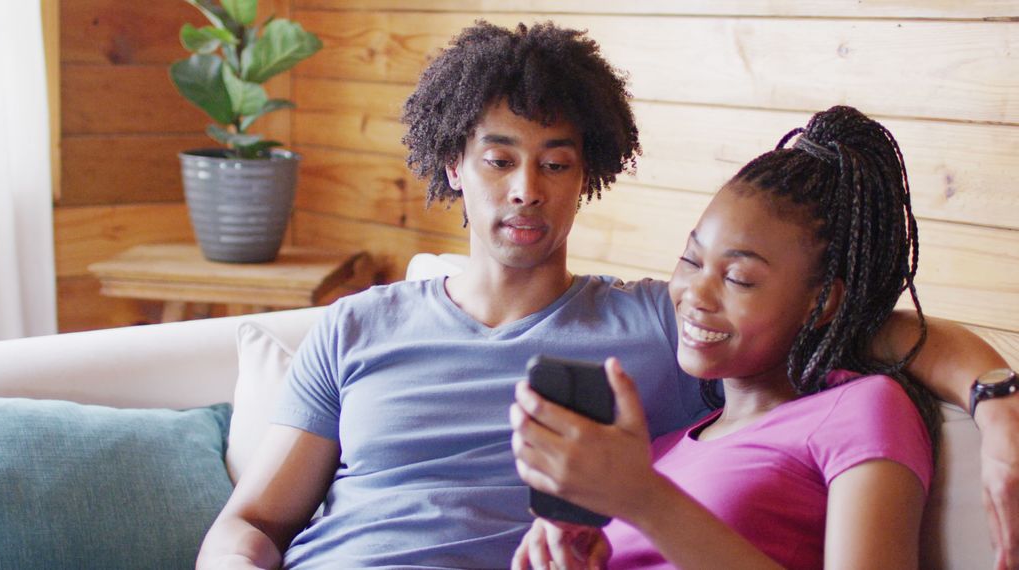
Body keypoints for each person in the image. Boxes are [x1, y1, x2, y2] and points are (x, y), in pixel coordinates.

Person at [196, 22, 1019, 570]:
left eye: (555, 163)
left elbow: (863, 330)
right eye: (498, 159)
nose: (526, 189)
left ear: (586, 177)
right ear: (453, 165)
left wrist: (996, 399)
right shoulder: (355, 326)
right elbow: (254, 521)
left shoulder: (665, 328)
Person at [508, 106, 983, 569]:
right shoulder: (664, 449)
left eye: (738, 278)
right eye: (691, 260)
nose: (696, 293)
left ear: (823, 303)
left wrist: (646, 501)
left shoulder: (862, 408)